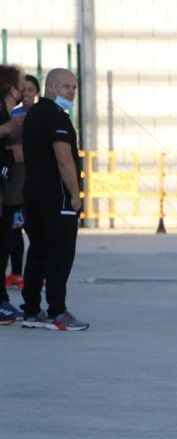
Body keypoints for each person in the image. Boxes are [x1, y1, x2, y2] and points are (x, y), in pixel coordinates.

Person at [20, 68, 88, 331]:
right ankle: (57, 312)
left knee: (38, 251)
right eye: (66, 86)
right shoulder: (55, 116)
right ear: (50, 88)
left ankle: (31, 311)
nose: (71, 91)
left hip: (33, 194)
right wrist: (75, 195)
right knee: (60, 254)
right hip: (55, 197)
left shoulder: (34, 113)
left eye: (74, 87)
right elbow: (64, 159)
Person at [5, 74, 39, 290]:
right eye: (22, 89)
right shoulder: (12, 116)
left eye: (29, 89)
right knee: (13, 230)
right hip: (13, 180)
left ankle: (36, 275)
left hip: (32, 179)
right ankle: (16, 273)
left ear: (36, 91)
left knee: (34, 229)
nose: (25, 93)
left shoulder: (41, 114)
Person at [0, 64, 25, 324]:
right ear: (12, 88)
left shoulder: (10, 112)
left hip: (6, 190)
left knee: (5, 244)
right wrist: (10, 128)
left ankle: (3, 300)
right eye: (20, 86)